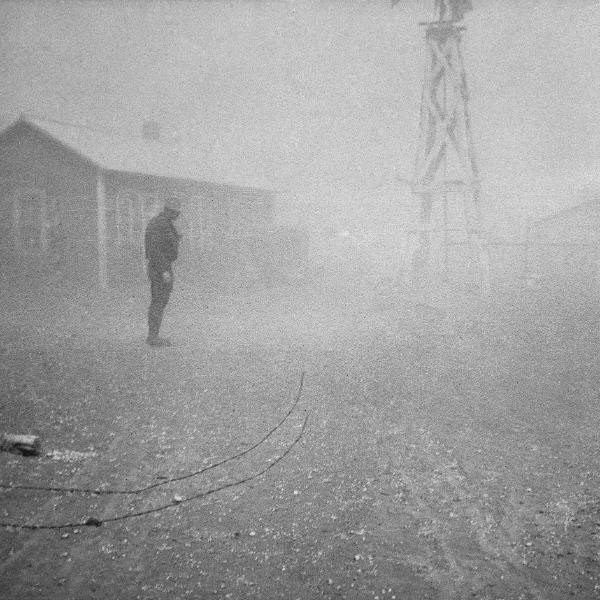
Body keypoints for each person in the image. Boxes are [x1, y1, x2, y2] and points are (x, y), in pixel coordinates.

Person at [144, 197, 182, 346]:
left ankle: (153, 335)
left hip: (161, 266)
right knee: (158, 301)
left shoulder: (162, 223)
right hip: (160, 268)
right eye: (176, 212)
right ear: (170, 211)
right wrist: (164, 270)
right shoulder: (161, 224)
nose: (178, 215)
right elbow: (155, 249)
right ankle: (153, 337)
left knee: (159, 301)